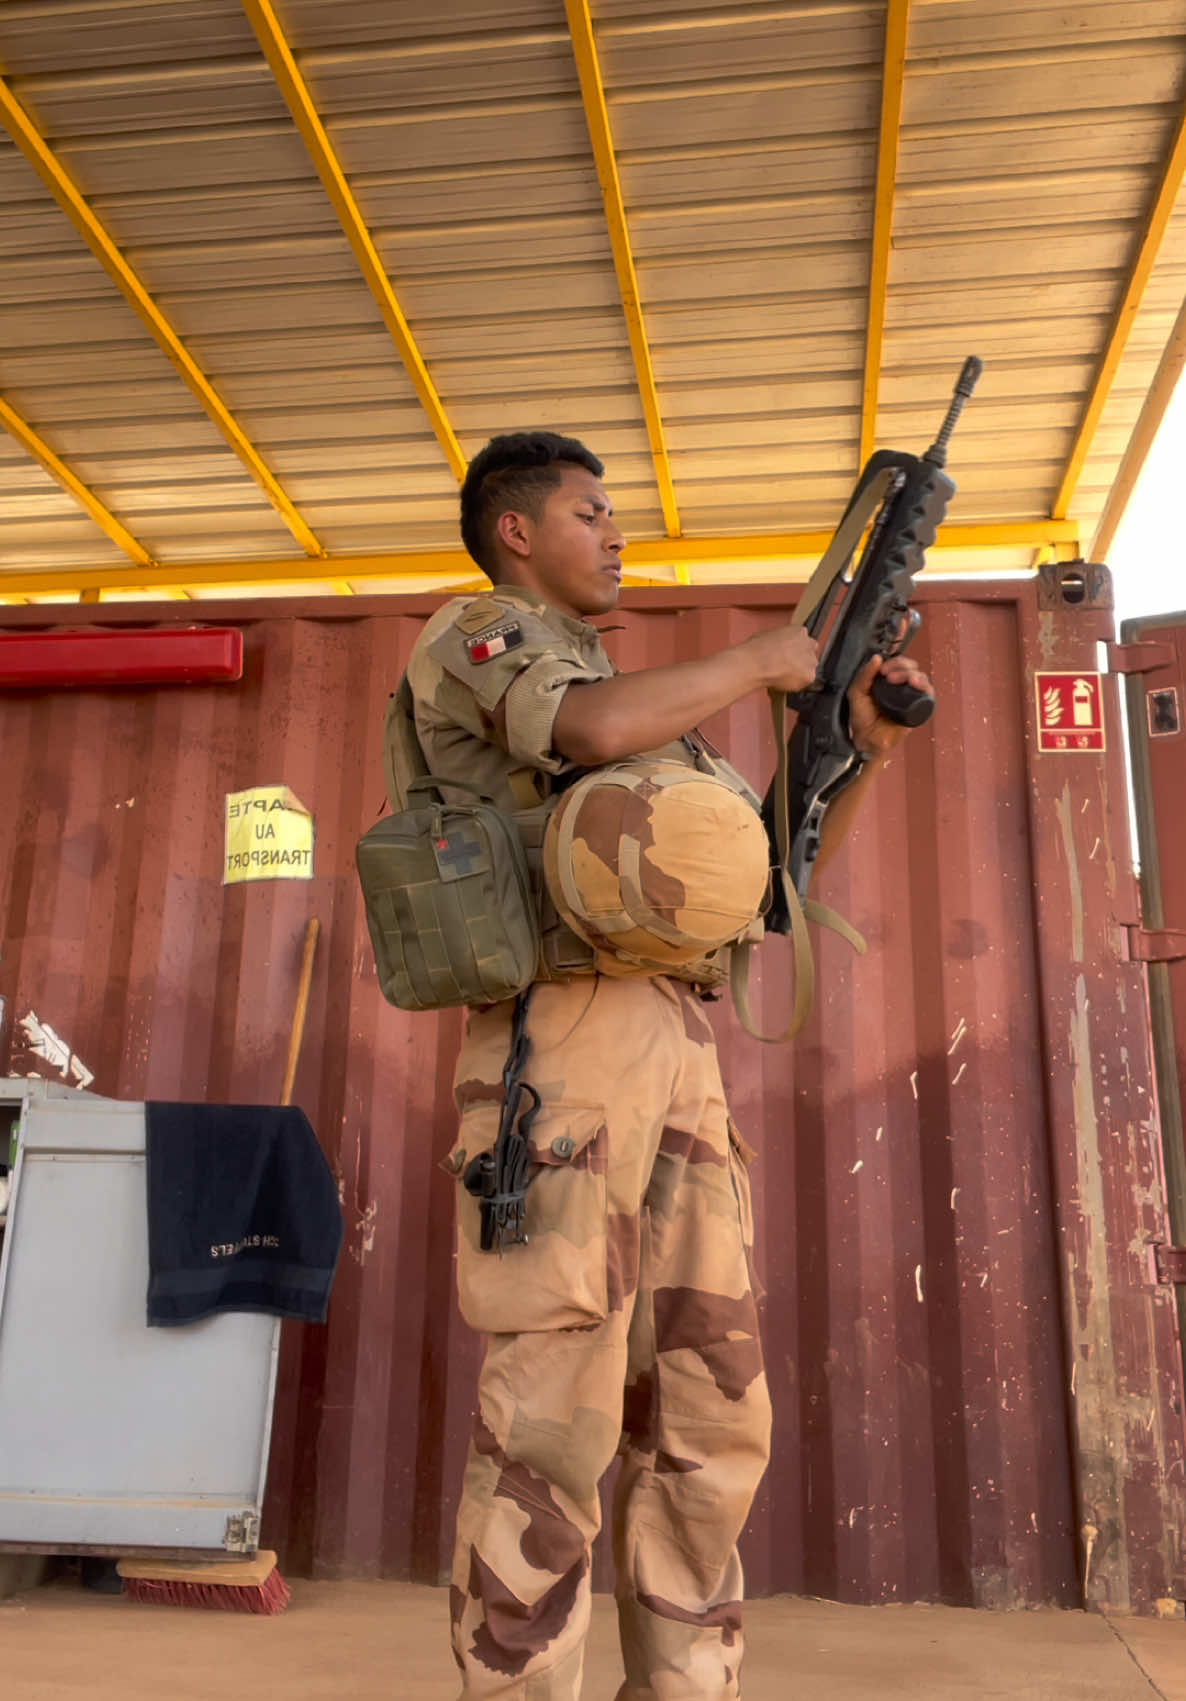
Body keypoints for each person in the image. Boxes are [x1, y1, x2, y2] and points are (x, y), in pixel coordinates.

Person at [401, 431, 933, 1700]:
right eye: (592, 511)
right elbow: (584, 728)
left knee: (710, 1420)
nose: (618, 531)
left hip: (672, 1052)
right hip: (557, 1053)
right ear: (518, 531)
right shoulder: (481, 639)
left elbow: (764, 887)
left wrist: (854, 744)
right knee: (553, 1425)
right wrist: (759, 656)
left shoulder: (653, 722)